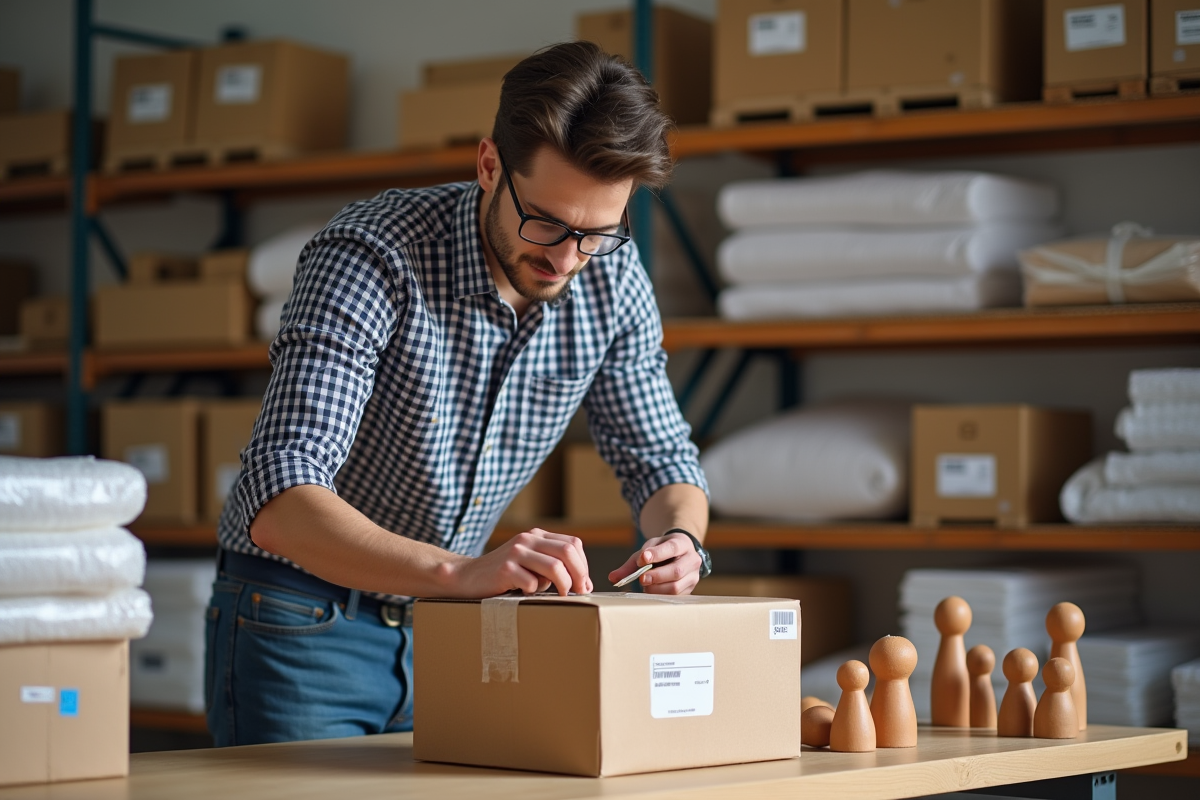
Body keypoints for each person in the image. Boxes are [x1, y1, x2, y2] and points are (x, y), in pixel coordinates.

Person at [204, 41, 710, 747]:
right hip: (300, 617)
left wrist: (681, 537)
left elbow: (661, 458)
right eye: (546, 222)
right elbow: (279, 499)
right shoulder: (371, 253)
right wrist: (465, 572)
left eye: (596, 233)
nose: (566, 259)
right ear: (488, 166)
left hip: (451, 625)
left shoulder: (612, 281)